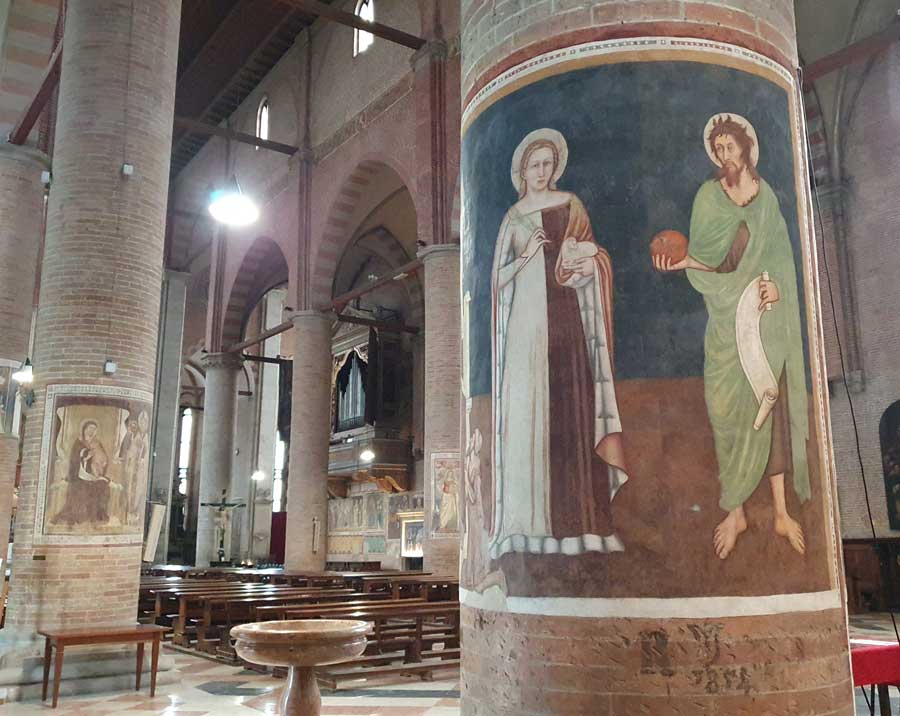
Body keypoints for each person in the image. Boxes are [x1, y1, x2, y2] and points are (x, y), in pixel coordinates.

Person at [653, 114, 810, 559]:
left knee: (769, 403)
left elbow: (780, 257)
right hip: (725, 319)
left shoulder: (767, 202)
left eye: (730, 146)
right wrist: (681, 264)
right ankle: (736, 509)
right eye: (718, 149)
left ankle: (781, 511)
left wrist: (777, 288)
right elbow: (707, 259)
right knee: (724, 410)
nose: (724, 154)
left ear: (745, 147)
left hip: (764, 316)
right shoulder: (708, 197)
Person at [490, 128, 628, 560]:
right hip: (527, 329)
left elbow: (595, 259)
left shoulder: (572, 205)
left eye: (548, 164)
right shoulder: (513, 218)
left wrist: (584, 260)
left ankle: (585, 526)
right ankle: (530, 528)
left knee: (573, 414)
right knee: (531, 420)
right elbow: (496, 280)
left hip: (567, 323)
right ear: (523, 171)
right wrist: (528, 255)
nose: (542, 172)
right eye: (535, 165)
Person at [53, 419, 111, 526]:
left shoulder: (97, 443)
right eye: (90, 428)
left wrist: (100, 465)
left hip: (93, 475)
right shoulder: (79, 442)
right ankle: (80, 517)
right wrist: (85, 456)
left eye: (94, 429)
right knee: (81, 489)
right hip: (78, 475)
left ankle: (97, 516)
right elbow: (74, 459)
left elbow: (104, 459)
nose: (91, 431)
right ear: (84, 429)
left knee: (103, 486)